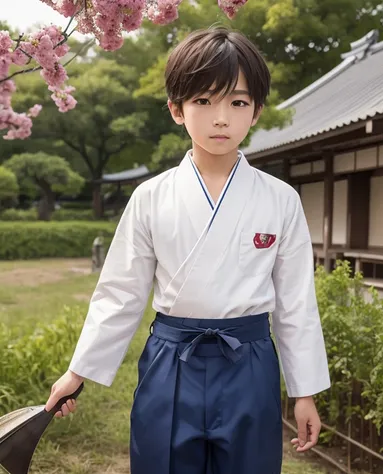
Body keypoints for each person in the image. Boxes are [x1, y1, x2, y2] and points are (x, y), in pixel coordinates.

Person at [45, 27, 331, 474]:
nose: (221, 118)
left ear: (255, 110)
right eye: (203, 100)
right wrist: (76, 372)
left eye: (237, 102)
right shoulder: (150, 197)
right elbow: (121, 293)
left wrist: (305, 391)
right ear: (176, 110)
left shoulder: (280, 200)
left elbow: (296, 302)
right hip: (170, 360)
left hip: (249, 363)